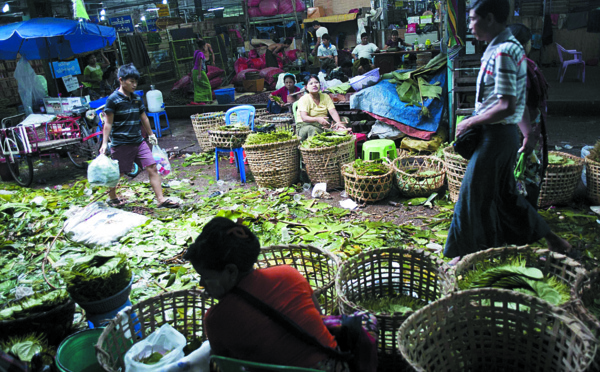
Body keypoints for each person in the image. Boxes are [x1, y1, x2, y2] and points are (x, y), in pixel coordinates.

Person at [444, 0, 570, 259]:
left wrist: (469, 121)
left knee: (470, 199)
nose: (469, 25)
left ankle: (460, 257)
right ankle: (552, 239)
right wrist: (525, 134)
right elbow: (517, 98)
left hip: (496, 138)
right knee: (507, 197)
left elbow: (506, 105)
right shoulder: (508, 48)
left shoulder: (503, 51)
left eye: (472, 19)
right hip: (504, 136)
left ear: (489, 19)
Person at [184, 217, 348, 372]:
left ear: (231, 271)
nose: (201, 284)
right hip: (335, 366)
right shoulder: (288, 274)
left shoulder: (216, 319)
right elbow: (321, 319)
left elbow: (228, 364)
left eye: (206, 277)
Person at [99, 63, 180, 209]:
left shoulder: (136, 99)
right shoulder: (113, 100)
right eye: (131, 81)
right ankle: (112, 197)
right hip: (121, 143)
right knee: (119, 173)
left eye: (136, 82)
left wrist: (151, 134)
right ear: (121, 80)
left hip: (138, 141)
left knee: (152, 167)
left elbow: (144, 118)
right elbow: (108, 123)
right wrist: (105, 143)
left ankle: (161, 199)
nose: (134, 85)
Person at [508, 23, 550, 209]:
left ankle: (520, 218)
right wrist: (528, 135)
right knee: (526, 174)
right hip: (525, 130)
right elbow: (520, 102)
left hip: (520, 129)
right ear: (524, 44)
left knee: (520, 174)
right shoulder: (522, 67)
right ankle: (524, 219)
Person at [296, 75, 345, 141]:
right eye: (311, 83)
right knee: (312, 130)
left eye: (316, 82)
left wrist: (338, 122)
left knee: (344, 121)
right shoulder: (304, 99)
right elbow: (304, 117)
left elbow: (332, 112)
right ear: (306, 87)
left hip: (324, 125)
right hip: (305, 126)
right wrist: (318, 119)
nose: (314, 85)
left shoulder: (325, 96)